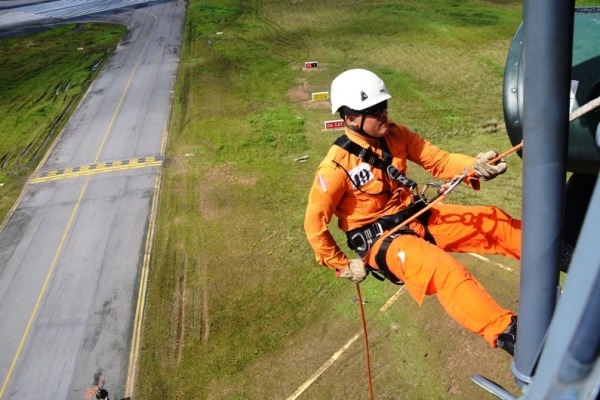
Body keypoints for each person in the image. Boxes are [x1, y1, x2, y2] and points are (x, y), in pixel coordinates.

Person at [304, 68, 520, 355]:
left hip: (417, 217)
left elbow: (440, 161)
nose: (384, 113)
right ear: (351, 118)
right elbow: (314, 224)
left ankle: (560, 253)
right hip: (382, 241)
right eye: (374, 110)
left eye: (384, 106)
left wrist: (473, 165)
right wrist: (342, 264)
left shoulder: (397, 136)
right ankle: (508, 333)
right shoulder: (335, 168)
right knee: (443, 269)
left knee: (493, 220)